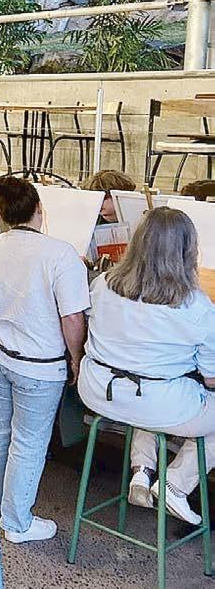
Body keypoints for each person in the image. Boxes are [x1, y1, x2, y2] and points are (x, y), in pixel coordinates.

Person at [78, 207, 215, 526]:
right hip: (154, 402)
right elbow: (210, 379)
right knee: (167, 393)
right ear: (188, 250)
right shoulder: (194, 305)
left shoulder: (103, 284)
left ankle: (141, 471)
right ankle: (175, 485)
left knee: (152, 384)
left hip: (99, 393)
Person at [0, 176, 89, 543]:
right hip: (37, 365)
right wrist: (76, 358)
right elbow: (72, 318)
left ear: (1, 213)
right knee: (29, 441)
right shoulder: (60, 254)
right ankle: (16, 523)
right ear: (39, 208)